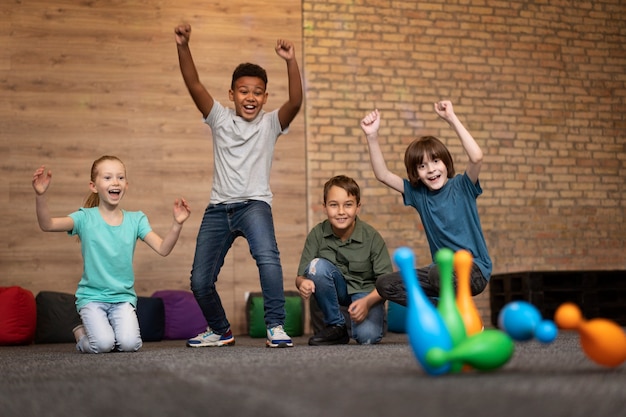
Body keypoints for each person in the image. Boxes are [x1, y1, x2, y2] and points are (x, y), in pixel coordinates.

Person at [174, 24, 303, 348]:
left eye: (258, 92)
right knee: (200, 281)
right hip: (219, 208)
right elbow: (193, 83)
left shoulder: (271, 123)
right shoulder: (218, 118)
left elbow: (296, 101)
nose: (251, 97)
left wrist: (290, 60)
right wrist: (183, 45)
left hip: (254, 205)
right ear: (232, 94)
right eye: (244, 91)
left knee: (268, 259)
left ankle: (275, 325)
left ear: (265, 97)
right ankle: (220, 330)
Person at [32, 156, 191, 354]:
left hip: (122, 298)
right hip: (92, 298)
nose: (115, 182)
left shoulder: (136, 220)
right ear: (93, 186)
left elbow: (163, 249)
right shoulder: (84, 218)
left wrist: (177, 224)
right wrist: (40, 195)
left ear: (126, 185)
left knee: (130, 344)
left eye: (120, 177)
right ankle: (81, 334)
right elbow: (47, 225)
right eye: (107, 177)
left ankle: (106, 332)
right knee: (103, 345)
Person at [359, 101, 492, 306]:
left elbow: (477, 157)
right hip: (439, 274)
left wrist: (451, 118)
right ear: (416, 173)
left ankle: (458, 316)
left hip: (474, 270)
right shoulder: (419, 195)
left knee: (439, 273)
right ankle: (437, 312)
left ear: (446, 163)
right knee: (386, 284)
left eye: (436, 161)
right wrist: (371, 136)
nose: (431, 170)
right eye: (422, 166)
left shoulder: (462, 186)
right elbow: (383, 175)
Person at [296, 175, 393, 345]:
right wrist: (302, 284)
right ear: (325, 207)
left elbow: (386, 284)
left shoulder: (372, 237)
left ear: (357, 207)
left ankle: (371, 320)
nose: (341, 212)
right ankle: (336, 326)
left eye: (348, 205)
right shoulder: (317, 234)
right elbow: (300, 276)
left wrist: (367, 302)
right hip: (335, 293)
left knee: (368, 338)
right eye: (334, 205)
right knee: (316, 267)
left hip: (365, 294)